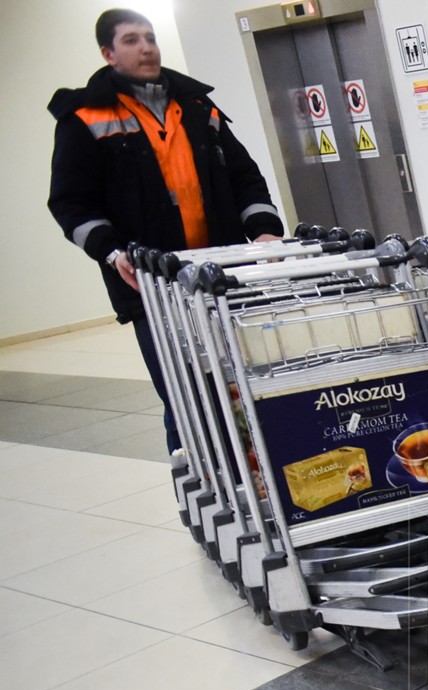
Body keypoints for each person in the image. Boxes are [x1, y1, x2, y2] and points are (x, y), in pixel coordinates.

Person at [47, 8, 284, 454]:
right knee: (187, 401)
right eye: (132, 40)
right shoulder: (86, 118)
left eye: (150, 37)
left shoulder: (196, 107)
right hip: (152, 288)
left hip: (220, 279)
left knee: (243, 389)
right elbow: (70, 203)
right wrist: (111, 251)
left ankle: (253, 478)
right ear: (108, 53)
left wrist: (264, 231)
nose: (147, 48)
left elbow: (245, 178)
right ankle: (199, 485)